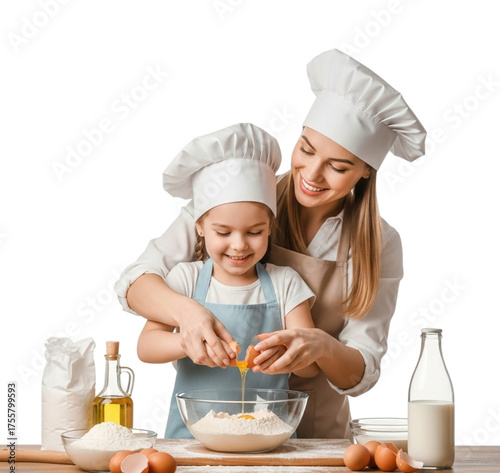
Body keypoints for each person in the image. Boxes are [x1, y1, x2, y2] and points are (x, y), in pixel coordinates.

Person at [115, 49, 427, 439]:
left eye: (338, 166)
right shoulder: (239, 196)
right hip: (208, 428)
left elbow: (362, 368)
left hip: (313, 437)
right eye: (307, 149)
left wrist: (319, 346)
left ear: (366, 171)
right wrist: (187, 316)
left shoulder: (378, 243)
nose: (311, 174)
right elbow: (136, 281)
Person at [135, 123, 318, 438]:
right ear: (201, 227)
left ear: (270, 227)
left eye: (254, 232)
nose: (239, 244)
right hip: (192, 440)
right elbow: (146, 346)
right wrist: (184, 342)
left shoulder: (286, 283)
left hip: (268, 440)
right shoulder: (187, 279)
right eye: (223, 232)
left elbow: (310, 366)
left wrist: (290, 354)